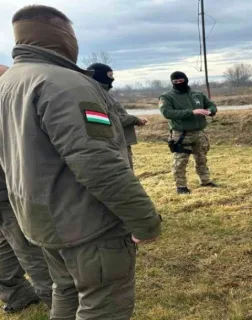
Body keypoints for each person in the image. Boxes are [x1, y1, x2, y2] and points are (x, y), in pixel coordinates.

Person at [0, 5, 161, 319]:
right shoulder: (65, 84)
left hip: (42, 220)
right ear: (61, 36)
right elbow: (97, 161)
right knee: (102, 304)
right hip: (86, 224)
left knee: (66, 291)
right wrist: (144, 220)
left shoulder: (9, 83)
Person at [0, 65, 53, 314]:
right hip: (7, 192)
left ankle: (17, 294)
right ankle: (58, 299)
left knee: (4, 247)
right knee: (30, 247)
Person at [159, 71, 218, 194]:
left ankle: (205, 181)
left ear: (186, 80)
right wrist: (191, 112)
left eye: (181, 81)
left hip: (199, 133)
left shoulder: (198, 95)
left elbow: (212, 106)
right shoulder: (167, 97)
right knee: (180, 161)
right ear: (172, 83)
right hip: (181, 134)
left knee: (202, 158)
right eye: (175, 82)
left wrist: (210, 111)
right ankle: (181, 186)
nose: (179, 83)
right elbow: (167, 113)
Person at [87, 63, 148, 168]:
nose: (113, 79)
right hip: (115, 144)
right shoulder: (96, 95)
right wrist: (135, 120)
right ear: (100, 76)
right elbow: (113, 119)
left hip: (119, 142)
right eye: (110, 76)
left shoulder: (102, 93)